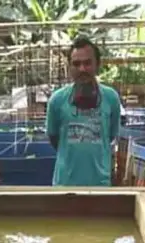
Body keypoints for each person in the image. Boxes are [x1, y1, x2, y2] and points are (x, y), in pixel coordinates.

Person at [46, 36, 122, 187]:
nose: (82, 69)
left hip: (99, 185)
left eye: (87, 63)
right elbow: (54, 138)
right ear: (70, 67)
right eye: (76, 64)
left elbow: (110, 136)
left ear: (97, 65)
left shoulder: (111, 98)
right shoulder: (57, 100)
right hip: (65, 185)